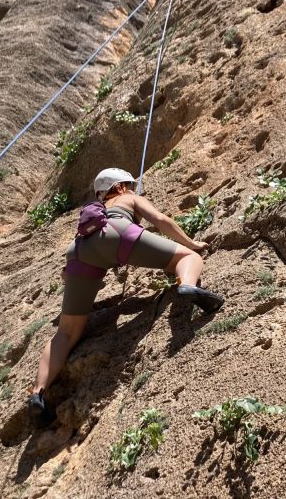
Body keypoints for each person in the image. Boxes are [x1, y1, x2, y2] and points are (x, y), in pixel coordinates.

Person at [28, 168, 223, 423]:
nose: (132, 188)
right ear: (120, 186)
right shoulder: (127, 198)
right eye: (129, 185)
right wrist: (192, 243)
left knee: (66, 332)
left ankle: (37, 392)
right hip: (118, 233)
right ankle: (186, 284)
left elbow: (68, 274)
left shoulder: (92, 213)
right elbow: (160, 220)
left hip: (79, 251)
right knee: (187, 258)